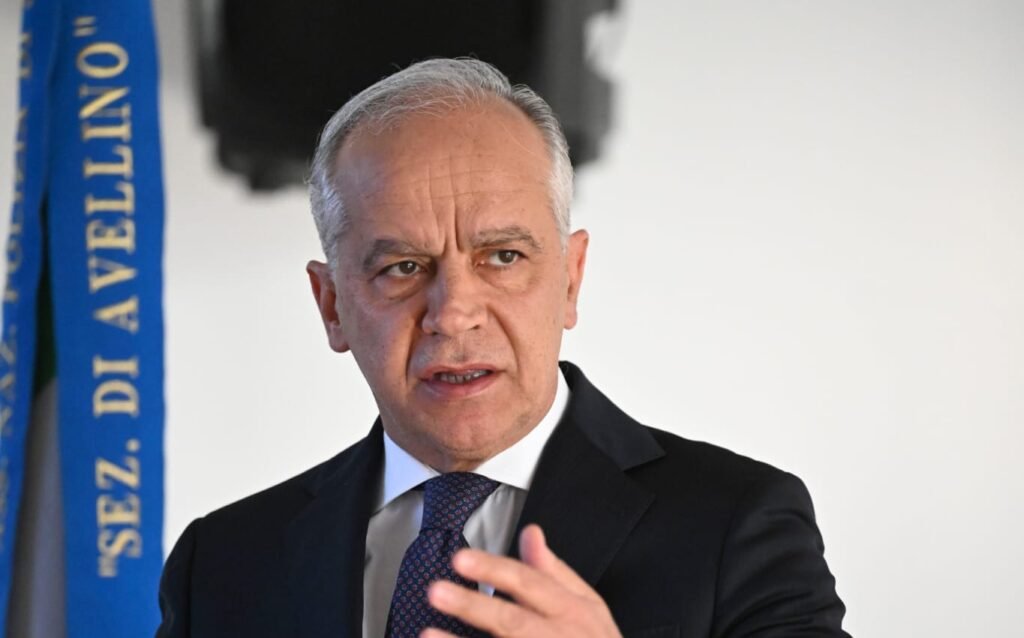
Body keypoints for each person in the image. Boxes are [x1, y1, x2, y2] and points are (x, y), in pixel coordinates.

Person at [156, 58, 848, 638]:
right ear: (331, 305)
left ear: (570, 279)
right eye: (403, 268)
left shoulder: (739, 524)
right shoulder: (222, 563)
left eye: (503, 256)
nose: (454, 314)